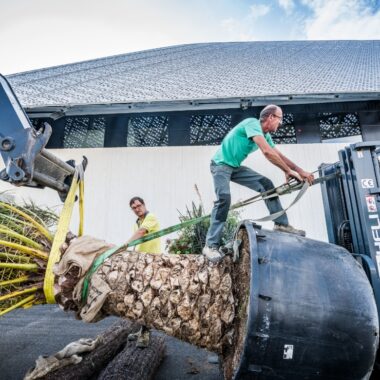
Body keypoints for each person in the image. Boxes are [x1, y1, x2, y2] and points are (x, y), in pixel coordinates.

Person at [203, 104, 314, 263]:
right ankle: (210, 245)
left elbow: (278, 155)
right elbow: (267, 153)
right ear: (270, 117)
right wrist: (288, 171)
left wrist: (299, 170)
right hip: (220, 165)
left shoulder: (266, 135)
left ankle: (281, 224)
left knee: (266, 184)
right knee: (224, 198)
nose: (280, 124)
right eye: (279, 119)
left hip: (234, 167)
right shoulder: (252, 124)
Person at [125, 196, 160, 348]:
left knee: (147, 298)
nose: (137, 209)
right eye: (134, 208)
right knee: (139, 298)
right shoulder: (137, 222)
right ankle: (141, 330)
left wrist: (125, 244)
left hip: (152, 263)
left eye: (139, 206)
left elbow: (141, 233)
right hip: (142, 263)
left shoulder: (150, 218)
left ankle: (145, 334)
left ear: (144, 205)